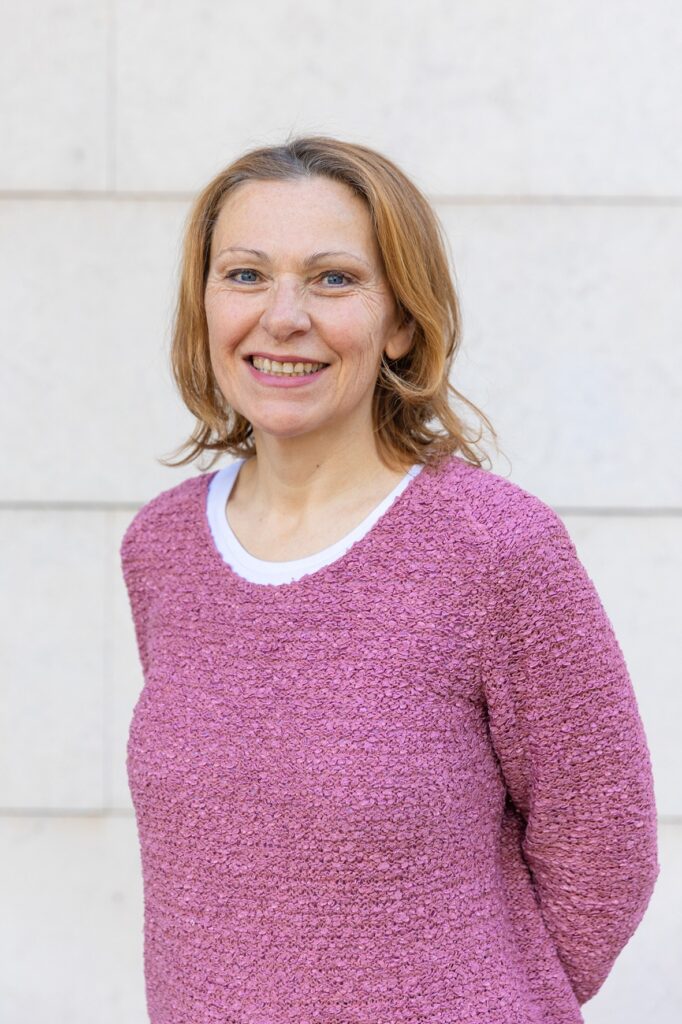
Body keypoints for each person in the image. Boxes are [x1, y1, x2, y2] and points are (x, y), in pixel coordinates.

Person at [120, 135, 659, 1024]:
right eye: (245, 275)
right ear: (204, 302)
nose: (282, 317)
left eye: (333, 279)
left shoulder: (495, 547)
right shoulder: (164, 547)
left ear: (402, 322)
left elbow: (605, 846)